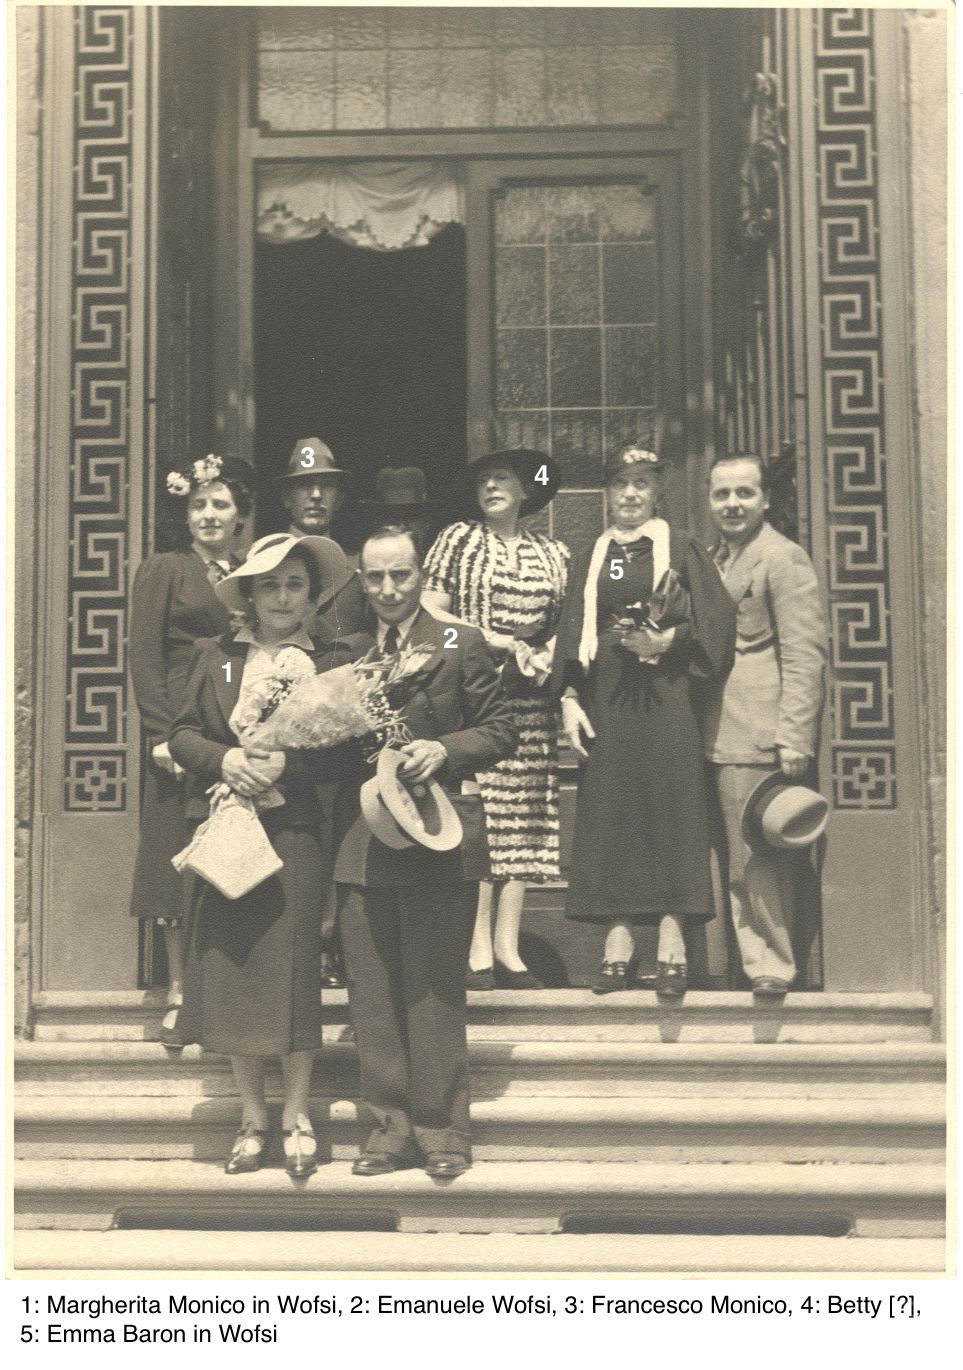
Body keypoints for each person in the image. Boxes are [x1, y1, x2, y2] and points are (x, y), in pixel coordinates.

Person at [169, 533, 368, 1178]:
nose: (282, 598)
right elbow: (181, 733)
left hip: (296, 831)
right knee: (235, 968)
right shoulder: (218, 656)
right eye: (270, 586)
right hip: (229, 824)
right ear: (250, 596)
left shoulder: (332, 660)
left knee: (293, 969)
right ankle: (252, 1118)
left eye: (295, 586)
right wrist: (224, 758)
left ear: (312, 597)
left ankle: (298, 1116)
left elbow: (350, 751)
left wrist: (293, 763)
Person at [333, 526, 517, 1179]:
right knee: (374, 992)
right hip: (364, 837)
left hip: (438, 835)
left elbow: (502, 729)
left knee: (434, 989)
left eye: (400, 575)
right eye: (375, 577)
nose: (388, 589)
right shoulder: (346, 652)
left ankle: (443, 1133)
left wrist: (446, 749)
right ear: (361, 579)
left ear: (421, 576)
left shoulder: (459, 642)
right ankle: (389, 1131)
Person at [554, 444, 736, 997]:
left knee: (670, 808)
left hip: (666, 696)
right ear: (607, 493)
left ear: (657, 492)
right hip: (607, 701)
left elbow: (716, 623)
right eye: (620, 484)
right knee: (612, 811)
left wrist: (667, 641)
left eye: (641, 484)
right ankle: (618, 941)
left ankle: (672, 938)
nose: (630, 494)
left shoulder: (680, 547)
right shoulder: (592, 554)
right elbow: (572, 629)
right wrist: (568, 697)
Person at [422, 450, 569, 989]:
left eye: (502, 478)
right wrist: (494, 640)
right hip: (478, 696)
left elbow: (566, 621)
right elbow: (430, 610)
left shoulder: (553, 552)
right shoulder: (458, 540)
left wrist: (546, 655)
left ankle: (509, 948)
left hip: (532, 703)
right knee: (483, 817)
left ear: (527, 490)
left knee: (524, 822)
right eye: (483, 479)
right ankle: (477, 948)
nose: (491, 486)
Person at [128, 453, 254, 1044]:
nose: (209, 514)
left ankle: (224, 990)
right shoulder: (166, 569)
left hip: (227, 729)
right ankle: (180, 992)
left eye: (220, 504)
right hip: (178, 731)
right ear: (185, 514)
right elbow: (144, 652)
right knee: (173, 861)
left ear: (239, 514)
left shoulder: (250, 570)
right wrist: (160, 734)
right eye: (199, 505)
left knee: (228, 853)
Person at [704, 453, 828, 995]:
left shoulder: (782, 557)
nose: (732, 504)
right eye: (722, 494)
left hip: (755, 733)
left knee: (757, 858)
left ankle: (771, 966)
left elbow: (805, 654)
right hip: (711, 731)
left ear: (766, 499)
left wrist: (794, 736)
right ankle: (729, 966)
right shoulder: (713, 559)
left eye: (744, 493)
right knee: (728, 858)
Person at [277, 436, 365, 990]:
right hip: (278, 734)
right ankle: (291, 953)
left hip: (337, 733)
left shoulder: (354, 575)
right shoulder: (267, 562)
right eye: (304, 487)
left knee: (336, 835)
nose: (315, 495)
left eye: (325, 486)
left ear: (338, 497)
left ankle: (332, 948)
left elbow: (370, 641)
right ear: (287, 499)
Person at [359, 464, 442, 554]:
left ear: (426, 524)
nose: (402, 527)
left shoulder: (439, 560)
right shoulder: (368, 560)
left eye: (410, 517)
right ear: (379, 524)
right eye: (393, 519)